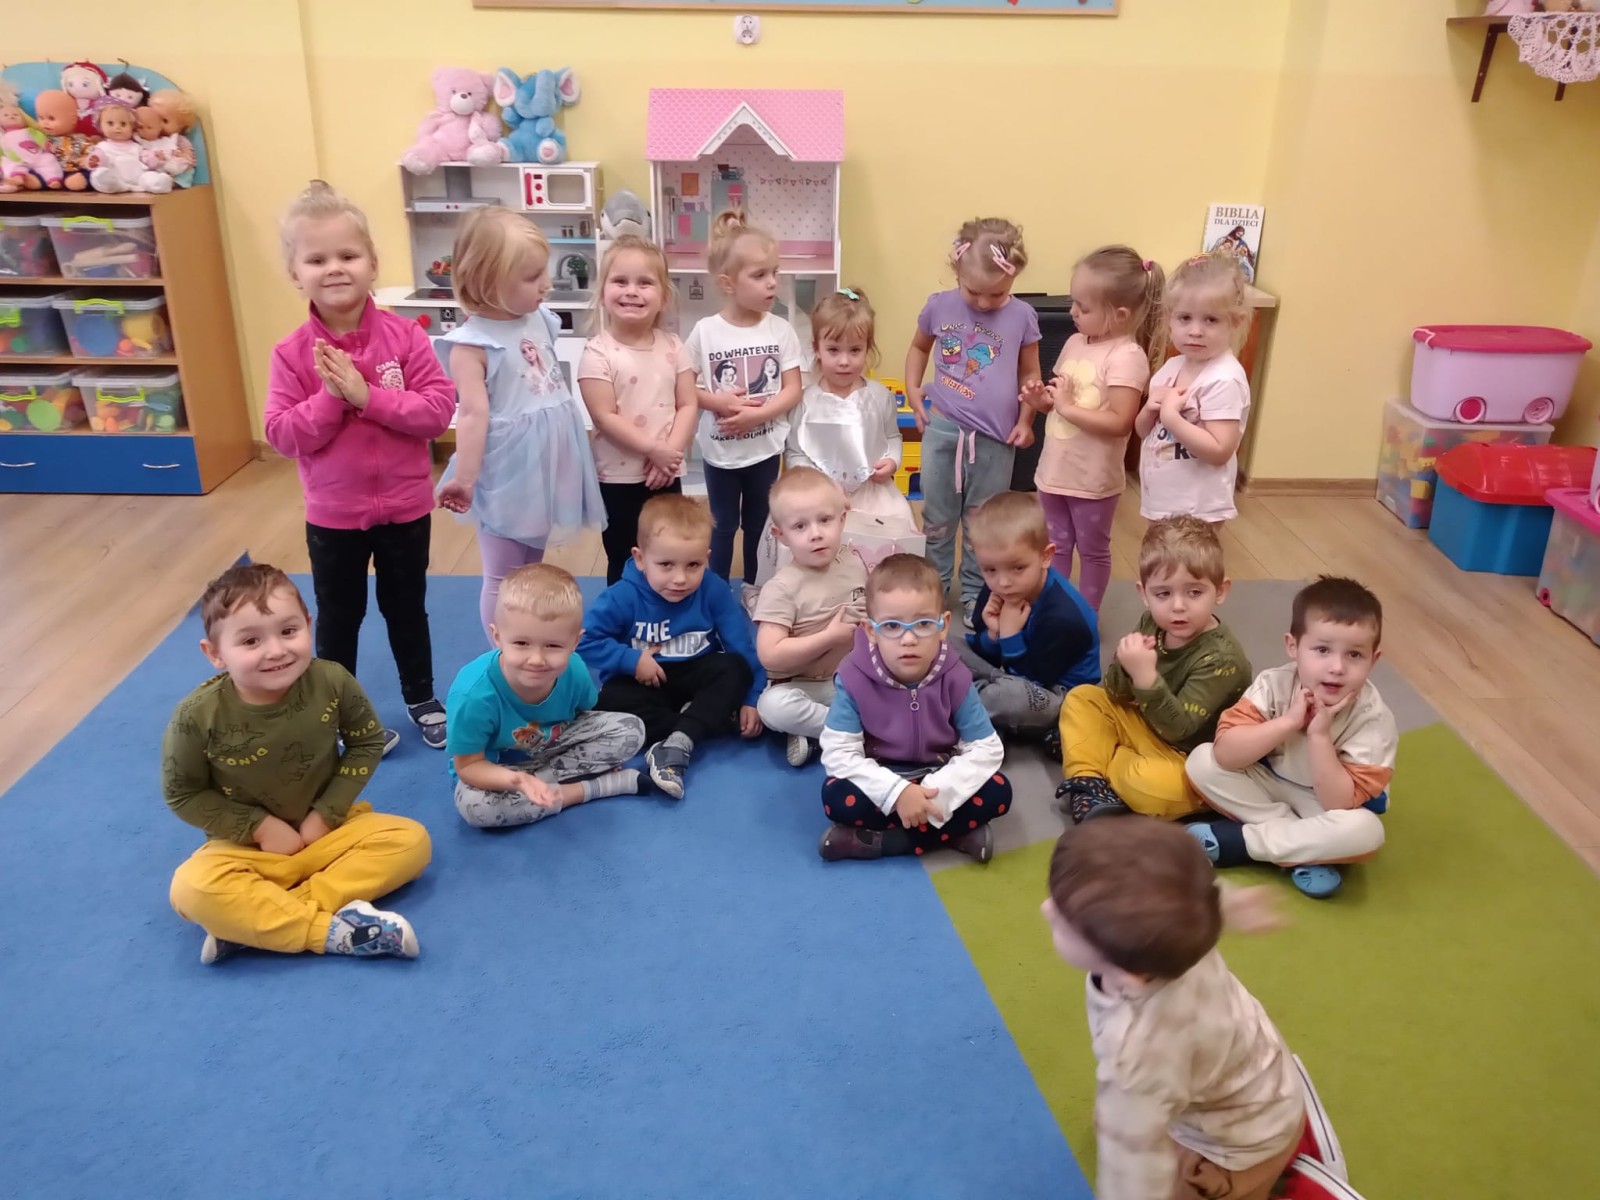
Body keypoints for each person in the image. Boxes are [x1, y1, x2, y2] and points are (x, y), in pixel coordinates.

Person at [1042, 817, 1339, 1200]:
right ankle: (1286, 1134)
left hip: (1236, 1147)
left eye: (1063, 922)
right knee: (1120, 1116)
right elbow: (1187, 892)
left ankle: (1293, 1175)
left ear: (1128, 975)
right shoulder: (1179, 935)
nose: (1046, 909)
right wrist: (1231, 905)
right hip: (1260, 1076)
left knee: (1134, 1138)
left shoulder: (1135, 1056)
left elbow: (1133, 1173)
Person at [263, 180, 457, 754]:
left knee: (407, 609)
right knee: (339, 616)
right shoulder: (290, 354)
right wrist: (332, 397)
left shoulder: (405, 337)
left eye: (348, 255)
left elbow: (437, 411)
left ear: (372, 264)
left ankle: (421, 696)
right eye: (316, 259)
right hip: (334, 515)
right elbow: (281, 434)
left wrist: (368, 396)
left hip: (405, 508)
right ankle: (333, 712)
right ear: (295, 273)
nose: (334, 268)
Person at [164, 564, 431, 965]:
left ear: (309, 624)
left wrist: (326, 814)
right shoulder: (195, 715)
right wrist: (259, 828)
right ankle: (330, 932)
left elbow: (366, 741)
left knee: (410, 841)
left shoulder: (333, 680)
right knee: (190, 888)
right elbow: (182, 792)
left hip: (328, 832)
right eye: (250, 640)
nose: (276, 650)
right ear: (215, 653)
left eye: (289, 631)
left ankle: (257, 922)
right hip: (248, 851)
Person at [434, 205, 606, 638]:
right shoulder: (472, 345)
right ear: (487, 282)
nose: (546, 283)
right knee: (503, 573)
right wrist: (465, 479)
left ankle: (524, 640)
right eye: (531, 277)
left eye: (543, 271)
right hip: (509, 471)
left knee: (529, 567)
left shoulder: (539, 318)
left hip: (545, 466)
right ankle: (501, 652)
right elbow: (472, 414)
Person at [1185, 577, 1396, 899]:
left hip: (1325, 806)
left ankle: (1240, 843)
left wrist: (1319, 736)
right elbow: (1226, 754)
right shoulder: (1274, 684)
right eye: (1322, 650)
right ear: (1293, 646)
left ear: (1374, 659)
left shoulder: (1373, 719)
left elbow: (1337, 803)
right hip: (1268, 783)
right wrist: (1287, 722)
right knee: (1202, 760)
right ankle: (1305, 849)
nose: (1337, 667)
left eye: (1354, 655)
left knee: (1366, 832)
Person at [817, 553, 1011, 864]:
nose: (908, 639)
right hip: (882, 773)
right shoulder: (854, 678)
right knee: (836, 797)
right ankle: (953, 833)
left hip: (939, 774)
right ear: (870, 631)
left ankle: (879, 843)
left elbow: (987, 748)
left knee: (999, 791)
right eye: (892, 626)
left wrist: (936, 791)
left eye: (923, 624)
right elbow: (838, 754)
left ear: (943, 625)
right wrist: (897, 793)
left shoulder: (955, 676)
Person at [1057, 516, 1251, 824]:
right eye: (1163, 594)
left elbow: (1179, 730)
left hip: (1190, 758)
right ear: (1144, 594)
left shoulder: (1222, 658)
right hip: (1147, 726)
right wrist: (1125, 664)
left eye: (1194, 592)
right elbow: (1115, 693)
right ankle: (1088, 781)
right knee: (1082, 698)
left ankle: (1096, 754)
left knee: (1150, 787)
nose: (1178, 606)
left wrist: (1145, 677)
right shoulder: (1152, 622)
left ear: (1220, 590)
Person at [579, 493, 765, 798]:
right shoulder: (622, 595)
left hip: (697, 675)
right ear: (640, 559)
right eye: (665, 564)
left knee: (735, 668)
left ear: (707, 557)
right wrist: (631, 660)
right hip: (644, 681)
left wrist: (752, 699)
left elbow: (741, 648)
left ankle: (681, 738)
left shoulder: (714, 589)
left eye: (693, 565)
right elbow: (583, 641)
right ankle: (701, 722)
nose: (680, 578)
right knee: (606, 704)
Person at [904, 217, 1042, 625]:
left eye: (996, 293)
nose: (983, 303)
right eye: (972, 292)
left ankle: (975, 594)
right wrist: (913, 390)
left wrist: (1027, 418)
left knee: (984, 522)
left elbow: (1029, 374)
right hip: (943, 429)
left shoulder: (1022, 316)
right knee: (937, 518)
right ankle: (933, 589)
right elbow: (918, 348)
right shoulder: (938, 305)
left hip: (995, 440)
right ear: (957, 271)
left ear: (1014, 276)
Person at [446, 563, 647, 827]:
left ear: (575, 642)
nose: (537, 659)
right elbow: (468, 767)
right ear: (497, 636)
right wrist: (518, 781)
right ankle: (589, 789)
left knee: (632, 729)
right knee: (476, 807)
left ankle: (541, 788)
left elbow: (585, 716)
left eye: (553, 645)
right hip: (495, 770)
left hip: (550, 752)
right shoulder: (472, 695)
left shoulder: (575, 670)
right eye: (521, 643)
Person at [1023, 245, 1163, 611]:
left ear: (1119, 315)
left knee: (1092, 550)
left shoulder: (1127, 357)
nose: (1073, 312)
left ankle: (1085, 618)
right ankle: (1054, 612)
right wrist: (1042, 401)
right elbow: (1063, 401)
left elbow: (1120, 422)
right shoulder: (1074, 342)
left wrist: (1067, 407)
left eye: (1083, 308)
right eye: (1074, 302)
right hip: (1055, 471)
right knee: (1054, 546)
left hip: (1092, 481)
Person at [683, 210, 804, 606]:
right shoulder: (706, 331)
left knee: (758, 523)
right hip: (720, 454)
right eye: (759, 275)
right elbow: (683, 386)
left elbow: (793, 389)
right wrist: (715, 401)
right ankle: (715, 591)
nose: (772, 283)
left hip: (765, 450)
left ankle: (754, 586)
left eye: (775, 273)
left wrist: (758, 415)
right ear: (728, 283)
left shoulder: (780, 329)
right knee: (721, 525)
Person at [577, 234, 699, 585]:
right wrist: (653, 451)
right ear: (603, 292)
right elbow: (604, 416)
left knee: (669, 550)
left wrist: (669, 454)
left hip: (666, 473)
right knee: (623, 555)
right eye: (620, 281)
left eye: (644, 283)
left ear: (663, 297)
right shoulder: (597, 352)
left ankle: (665, 608)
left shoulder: (673, 346)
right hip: (618, 479)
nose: (632, 291)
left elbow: (688, 403)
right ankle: (624, 613)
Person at [958, 490, 1099, 740]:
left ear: (1045, 556)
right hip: (1011, 673)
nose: (1003, 582)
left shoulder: (1064, 617)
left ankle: (955, 700)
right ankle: (968, 703)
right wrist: (993, 634)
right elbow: (985, 652)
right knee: (939, 644)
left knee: (1005, 697)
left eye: (1018, 568)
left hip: (1058, 694)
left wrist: (1010, 635)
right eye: (990, 569)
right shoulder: (1000, 586)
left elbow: (1033, 680)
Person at [752, 467, 868, 767]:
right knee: (772, 707)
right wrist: (829, 637)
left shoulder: (853, 562)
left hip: (857, 677)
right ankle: (855, 731)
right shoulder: (781, 588)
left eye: (825, 520)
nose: (816, 533)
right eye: (800, 526)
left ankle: (819, 734)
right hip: (809, 686)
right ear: (780, 535)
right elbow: (770, 655)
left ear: (842, 519)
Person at [1137, 253, 1252, 523]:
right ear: (1169, 318)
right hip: (1162, 499)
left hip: (1199, 508)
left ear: (1235, 321)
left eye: (1211, 320)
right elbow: (1144, 432)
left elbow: (1220, 450)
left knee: (1187, 554)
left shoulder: (1224, 379)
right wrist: (1150, 411)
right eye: (1185, 318)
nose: (1196, 331)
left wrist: (1171, 417)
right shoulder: (1172, 368)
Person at [785, 287, 914, 527]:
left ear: (867, 348)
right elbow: (794, 453)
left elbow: (892, 437)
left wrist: (892, 461)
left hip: (872, 493)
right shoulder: (804, 402)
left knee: (891, 530)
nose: (844, 361)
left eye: (855, 350)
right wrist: (820, 484)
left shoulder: (880, 396)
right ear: (817, 349)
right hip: (819, 494)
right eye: (833, 350)